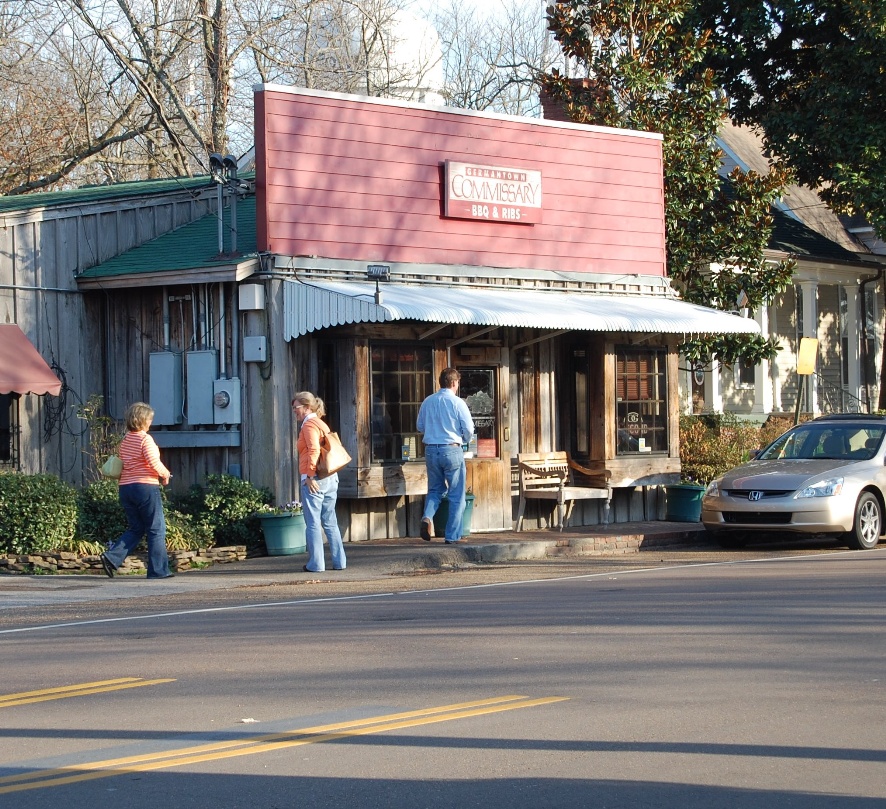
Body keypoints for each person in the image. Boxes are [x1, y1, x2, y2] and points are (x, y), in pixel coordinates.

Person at [100, 402, 173, 579]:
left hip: (126, 488)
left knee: (137, 528)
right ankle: (158, 571)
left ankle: (111, 557)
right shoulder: (144, 439)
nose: (150, 422)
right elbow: (153, 462)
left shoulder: (125, 440)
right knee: (156, 529)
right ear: (142, 420)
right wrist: (165, 474)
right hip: (145, 487)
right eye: (149, 419)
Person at [417, 367, 475, 543]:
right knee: (457, 494)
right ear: (454, 383)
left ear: (440, 382)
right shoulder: (458, 403)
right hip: (451, 449)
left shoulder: (428, 401)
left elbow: (420, 426)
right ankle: (451, 536)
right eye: (457, 383)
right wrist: (464, 439)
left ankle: (427, 517)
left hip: (431, 449)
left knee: (435, 490)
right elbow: (469, 430)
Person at [293, 391, 347, 572]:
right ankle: (340, 562)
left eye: (296, 408)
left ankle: (316, 564)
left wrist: (308, 476)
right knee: (330, 521)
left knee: (313, 523)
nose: (295, 411)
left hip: (315, 478)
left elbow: (314, 450)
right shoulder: (321, 422)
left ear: (306, 407)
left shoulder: (308, 425)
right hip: (330, 476)